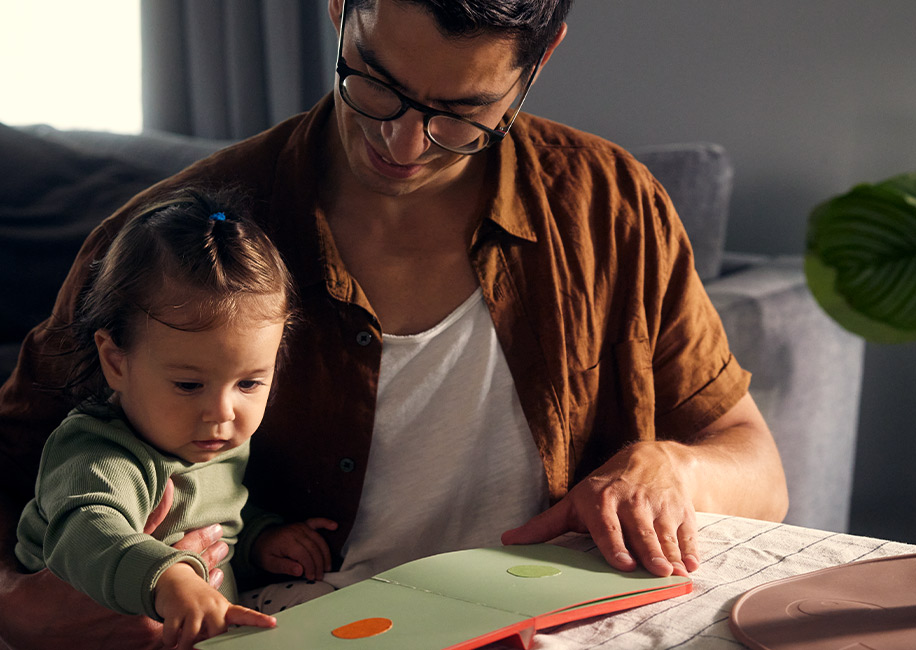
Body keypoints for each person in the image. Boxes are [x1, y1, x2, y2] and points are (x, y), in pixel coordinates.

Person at [0, 1, 789, 647]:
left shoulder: (610, 207)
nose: (403, 144)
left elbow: (758, 467)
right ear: (340, 10)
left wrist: (673, 470)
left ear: (539, 61)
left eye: (461, 113)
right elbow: (16, 467)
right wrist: (19, 608)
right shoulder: (173, 244)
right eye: (374, 84)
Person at [11, 190, 338, 649]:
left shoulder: (215, 445)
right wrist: (168, 578)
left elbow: (210, 535)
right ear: (116, 361)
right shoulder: (97, 452)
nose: (222, 413)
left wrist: (260, 543)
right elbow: (86, 533)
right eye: (188, 385)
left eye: (249, 384)